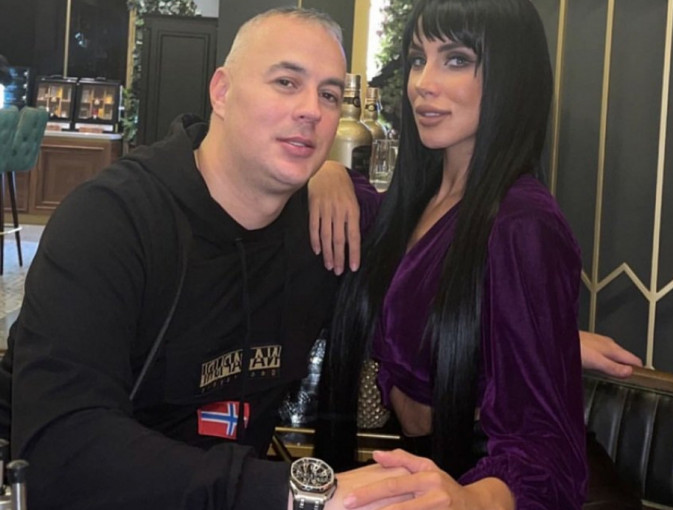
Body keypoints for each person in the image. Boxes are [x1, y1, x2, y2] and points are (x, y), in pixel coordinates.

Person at [0, 8, 411, 510]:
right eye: (286, 82)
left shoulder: (321, 230)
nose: (312, 110)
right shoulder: (111, 221)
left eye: (329, 94)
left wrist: (337, 176)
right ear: (221, 91)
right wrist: (289, 494)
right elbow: (60, 449)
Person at [314, 0, 589, 508]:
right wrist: (326, 173)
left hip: (473, 483)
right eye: (418, 59)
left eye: (457, 60)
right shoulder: (414, 205)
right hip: (411, 474)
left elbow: (548, 449)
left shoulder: (522, 224)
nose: (423, 83)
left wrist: (469, 501)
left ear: (510, 75)